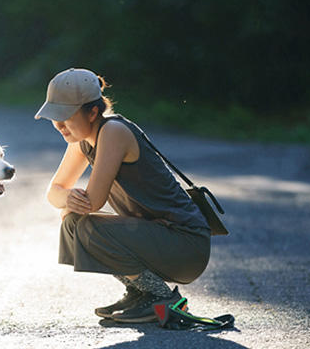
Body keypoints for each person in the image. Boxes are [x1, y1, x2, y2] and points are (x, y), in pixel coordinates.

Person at [35, 68, 211, 323]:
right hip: (159, 237)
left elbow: (93, 202)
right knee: (71, 220)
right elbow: (53, 193)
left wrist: (69, 198)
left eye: (65, 116)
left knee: (84, 225)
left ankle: (162, 298)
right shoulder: (82, 139)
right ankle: (141, 291)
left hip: (186, 244)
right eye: (54, 117)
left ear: (93, 111)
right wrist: (67, 198)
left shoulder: (113, 131)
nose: (59, 125)